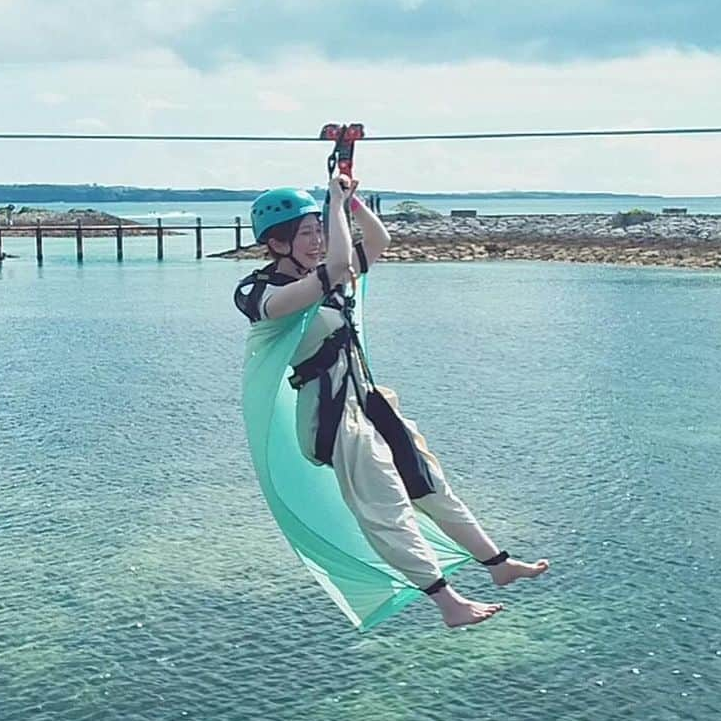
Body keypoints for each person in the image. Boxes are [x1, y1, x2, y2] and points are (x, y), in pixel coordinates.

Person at [234, 174, 549, 628]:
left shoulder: (327, 276)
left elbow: (378, 241)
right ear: (277, 242)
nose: (317, 240)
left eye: (319, 231)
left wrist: (351, 202)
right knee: (387, 508)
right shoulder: (260, 293)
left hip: (367, 401)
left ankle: (497, 565)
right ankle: (449, 604)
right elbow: (338, 265)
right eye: (307, 233)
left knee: (430, 487)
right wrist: (334, 205)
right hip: (331, 416)